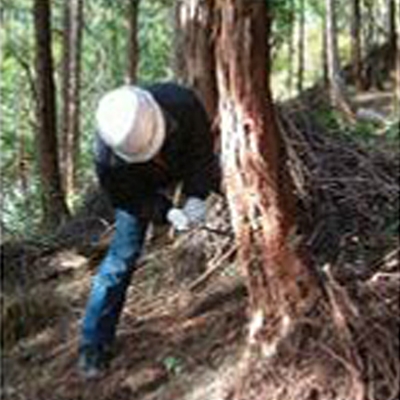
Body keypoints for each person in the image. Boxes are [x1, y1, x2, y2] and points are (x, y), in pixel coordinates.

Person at [78, 83, 221, 378]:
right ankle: (93, 345)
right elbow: (128, 197)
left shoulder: (182, 103)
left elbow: (202, 154)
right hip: (140, 187)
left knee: (243, 178)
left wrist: (196, 194)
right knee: (122, 257)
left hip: (182, 164)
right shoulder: (108, 158)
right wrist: (166, 211)